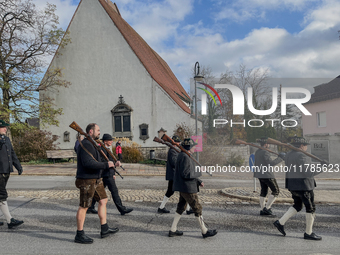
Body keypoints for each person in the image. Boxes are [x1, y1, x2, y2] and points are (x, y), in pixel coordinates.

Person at [74, 123, 121, 244]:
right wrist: (106, 164)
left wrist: (111, 164)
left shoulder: (93, 144)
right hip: (86, 179)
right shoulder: (86, 144)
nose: (99, 132)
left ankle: (104, 229)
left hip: (96, 179)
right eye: (98, 130)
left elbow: (99, 160)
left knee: (103, 200)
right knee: (84, 206)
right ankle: (79, 234)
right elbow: (88, 163)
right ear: (91, 131)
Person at [273, 137, 323, 241]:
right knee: (311, 208)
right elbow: (308, 172)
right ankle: (308, 233)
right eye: (305, 145)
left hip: (293, 186)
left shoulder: (289, 155)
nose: (306, 148)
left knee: (297, 205)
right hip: (304, 186)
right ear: (301, 146)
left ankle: (280, 222)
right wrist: (322, 167)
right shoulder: (301, 155)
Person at [169, 138, 217, 238]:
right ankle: (204, 231)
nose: (195, 148)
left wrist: (198, 181)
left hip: (184, 186)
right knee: (197, 208)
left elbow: (189, 172)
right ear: (189, 147)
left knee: (181, 207)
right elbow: (186, 173)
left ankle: (173, 229)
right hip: (188, 187)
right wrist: (199, 171)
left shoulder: (184, 155)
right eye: (193, 146)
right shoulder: (185, 157)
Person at [91, 134, 133, 215]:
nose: (111, 141)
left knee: (98, 192)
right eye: (110, 140)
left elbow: (110, 162)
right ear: (105, 141)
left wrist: (113, 173)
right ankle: (122, 209)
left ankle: (90, 207)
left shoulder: (107, 149)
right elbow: (105, 162)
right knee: (114, 192)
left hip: (108, 174)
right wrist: (115, 164)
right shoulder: (102, 150)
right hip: (106, 174)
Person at [0, 120, 24, 229]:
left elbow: (12, 153)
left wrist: (18, 166)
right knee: (2, 195)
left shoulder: (6, 139)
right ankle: (10, 220)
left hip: (6, 171)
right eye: (3, 127)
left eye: (5, 127)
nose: (5, 129)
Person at [254, 137, 285, 216]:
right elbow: (271, 163)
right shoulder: (265, 152)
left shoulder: (258, 151)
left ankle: (262, 209)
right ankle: (267, 208)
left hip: (260, 174)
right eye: (268, 144)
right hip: (267, 175)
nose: (269, 145)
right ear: (265, 144)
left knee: (264, 191)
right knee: (276, 191)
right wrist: (280, 158)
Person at [158, 135, 181, 214]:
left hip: (174, 174)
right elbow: (174, 163)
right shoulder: (172, 151)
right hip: (174, 175)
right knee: (175, 191)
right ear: (175, 143)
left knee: (174, 191)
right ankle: (161, 207)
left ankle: (161, 207)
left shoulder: (174, 150)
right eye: (178, 142)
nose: (179, 143)